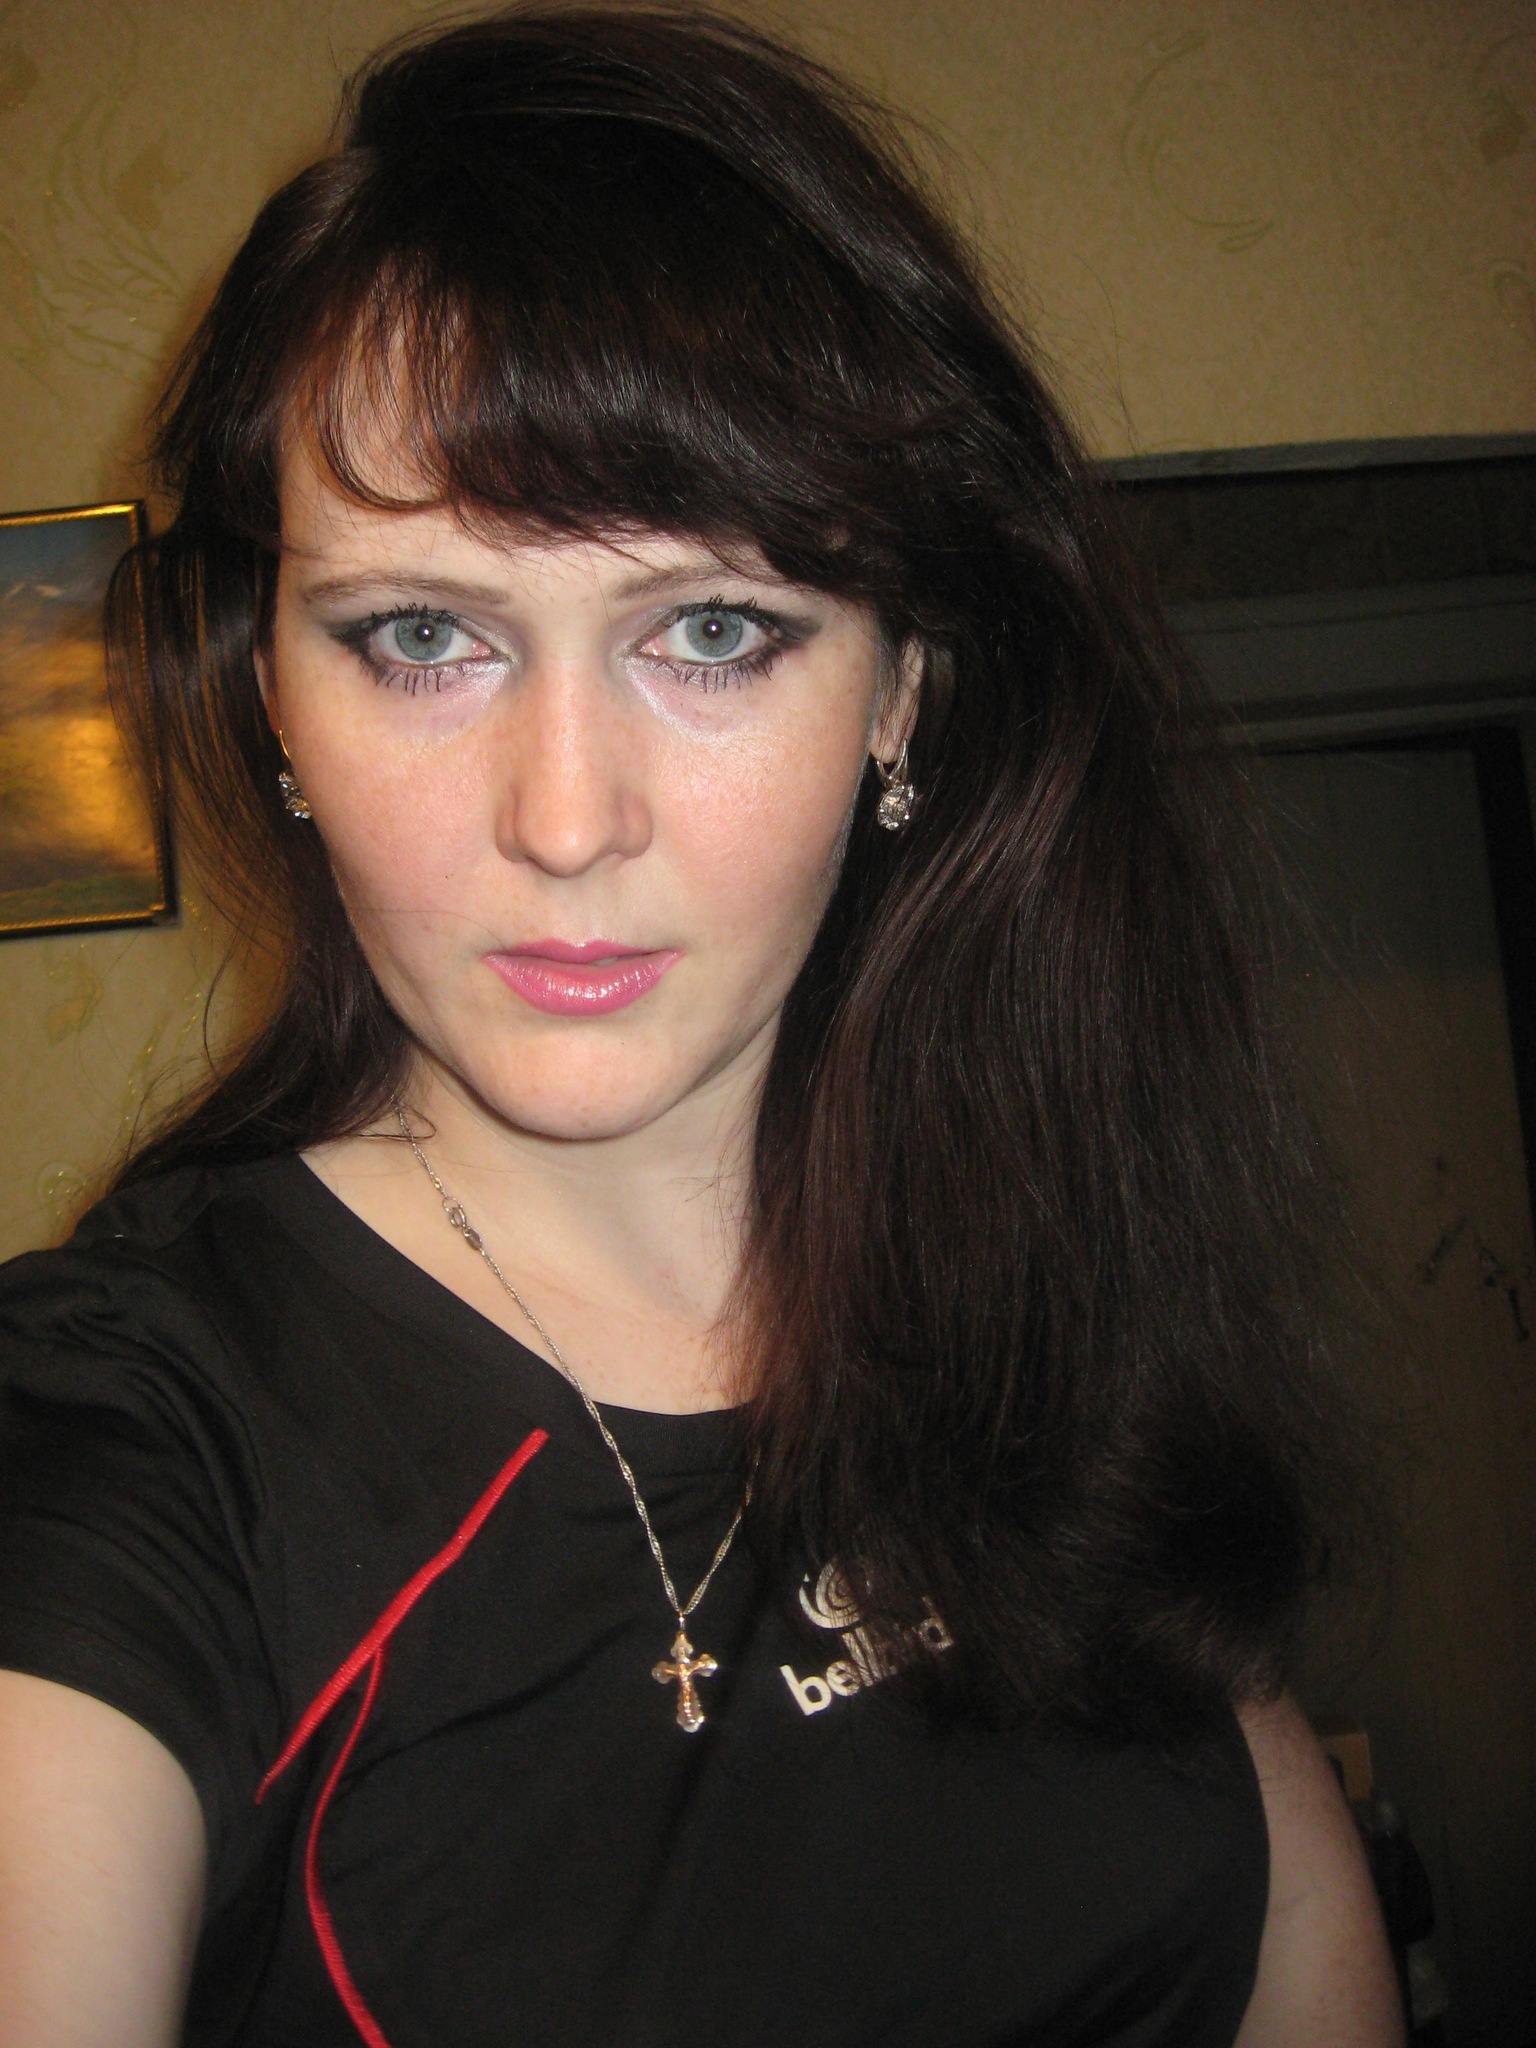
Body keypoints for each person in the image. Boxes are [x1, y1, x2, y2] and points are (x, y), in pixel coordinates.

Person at [0, 9, 1401, 2045]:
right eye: (423, 635)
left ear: (905, 687)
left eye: (714, 630)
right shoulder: (127, 1431)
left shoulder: (1052, 1323)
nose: (567, 819)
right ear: (274, 698)